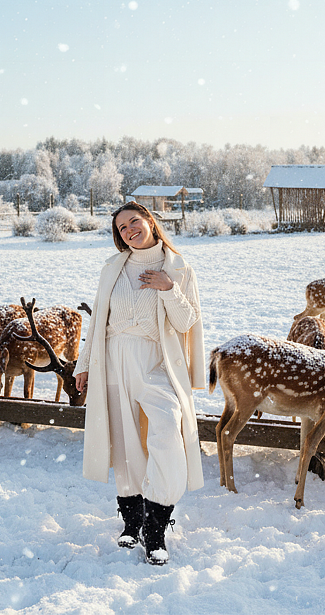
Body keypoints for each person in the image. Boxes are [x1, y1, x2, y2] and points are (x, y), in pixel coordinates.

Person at [73, 201, 205, 565]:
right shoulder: (113, 267)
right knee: (126, 444)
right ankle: (133, 523)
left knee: (168, 434)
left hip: (155, 363)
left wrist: (168, 288)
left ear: (150, 221)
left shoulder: (178, 268)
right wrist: (84, 365)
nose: (130, 230)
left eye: (134, 221)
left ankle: (156, 525)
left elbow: (186, 323)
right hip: (113, 361)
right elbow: (98, 321)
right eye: (122, 228)